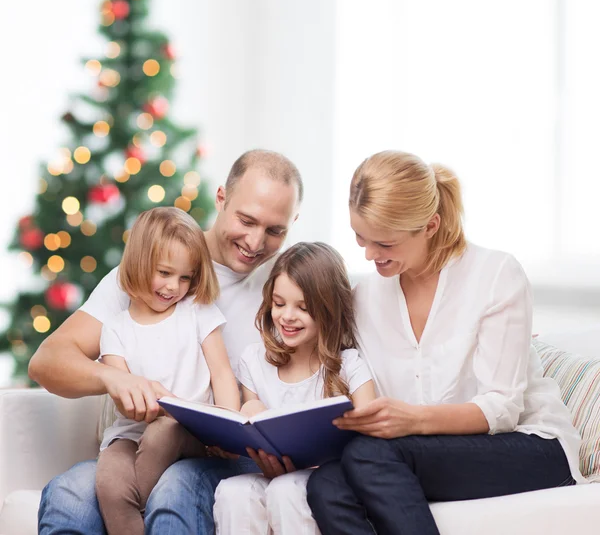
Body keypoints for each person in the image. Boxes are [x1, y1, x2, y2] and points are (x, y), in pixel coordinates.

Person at [306, 151, 585, 535]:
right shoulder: (365, 298)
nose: (370, 255)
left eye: (385, 243)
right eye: (360, 238)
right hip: (414, 453)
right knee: (326, 485)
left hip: (529, 445)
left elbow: (502, 408)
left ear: (430, 225)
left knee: (371, 456)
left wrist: (412, 419)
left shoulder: (495, 275)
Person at [30, 149, 303, 535]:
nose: (255, 242)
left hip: (223, 455)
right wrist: (115, 379)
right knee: (69, 493)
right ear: (222, 197)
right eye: (246, 220)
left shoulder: (289, 287)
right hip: (139, 445)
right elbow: (47, 362)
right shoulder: (147, 272)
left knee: (174, 488)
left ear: (293, 224)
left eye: (276, 230)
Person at [213, 242, 376, 535]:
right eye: (278, 303)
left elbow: (371, 440)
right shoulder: (254, 360)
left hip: (328, 479)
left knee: (287, 490)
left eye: (303, 308)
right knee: (233, 491)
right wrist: (249, 410)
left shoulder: (349, 365)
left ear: (329, 310)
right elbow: (254, 432)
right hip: (272, 473)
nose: (287, 316)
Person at [95, 207, 240, 534]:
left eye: (185, 277)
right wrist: (148, 397)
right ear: (138, 263)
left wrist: (228, 427)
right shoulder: (116, 328)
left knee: (164, 431)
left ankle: (146, 508)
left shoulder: (197, 310)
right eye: (164, 272)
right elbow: (122, 396)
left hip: (191, 432)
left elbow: (222, 374)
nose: (174, 286)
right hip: (131, 432)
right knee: (109, 483)